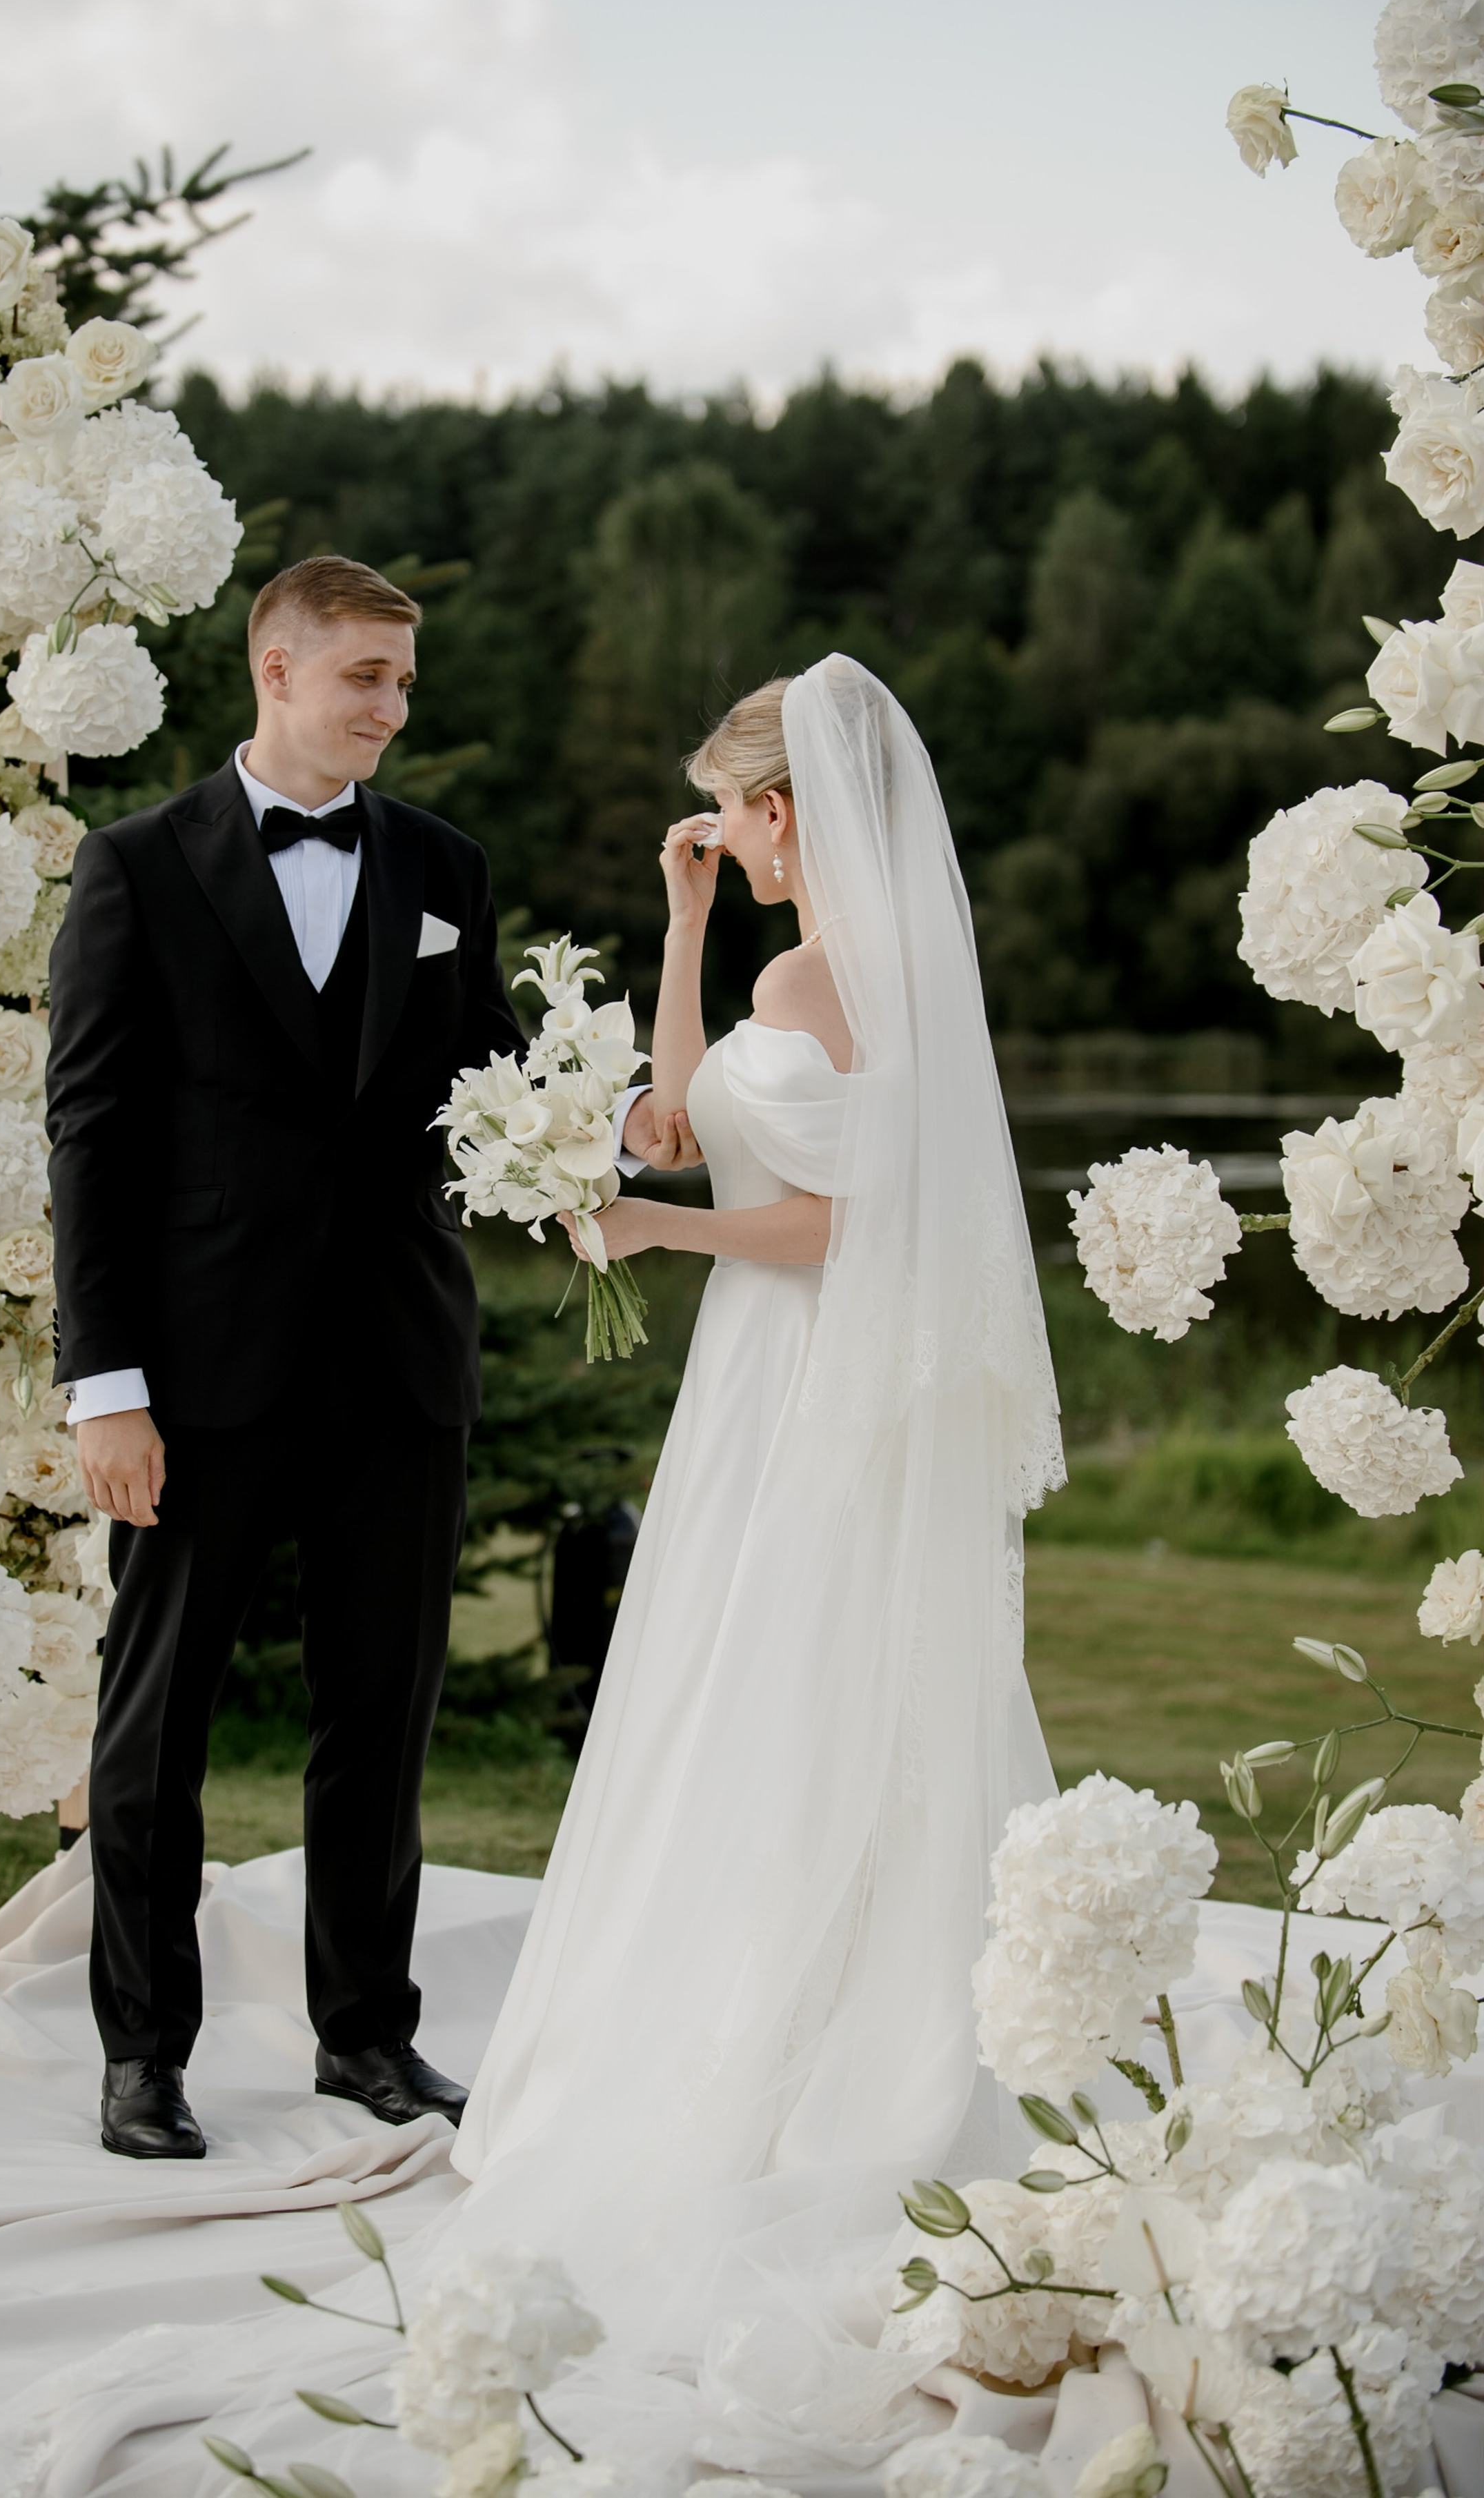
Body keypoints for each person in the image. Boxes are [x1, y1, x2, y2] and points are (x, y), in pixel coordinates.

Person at [443, 655, 1067, 2461]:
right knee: (763, 1688)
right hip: (769, 1389)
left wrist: (646, 1221)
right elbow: (688, 1104)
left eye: (736, 814)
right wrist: (681, 919)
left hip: (804, 1394)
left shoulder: (835, 971)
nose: (734, 839)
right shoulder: (822, 964)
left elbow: (823, 1223)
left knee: (779, 1696)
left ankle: (807, 2047)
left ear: (788, 805)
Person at [46, 554, 695, 2163]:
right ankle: (142, 2056)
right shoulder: (137, 868)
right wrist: (105, 1384)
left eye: (405, 685)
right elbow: (92, 1137)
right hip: (197, 1373)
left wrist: (597, 1131)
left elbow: (482, 1075)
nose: (392, 710)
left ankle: (368, 2040)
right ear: (276, 670)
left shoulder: (441, 866)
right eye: (365, 681)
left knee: (378, 1716)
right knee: (154, 1728)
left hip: (399, 1358)